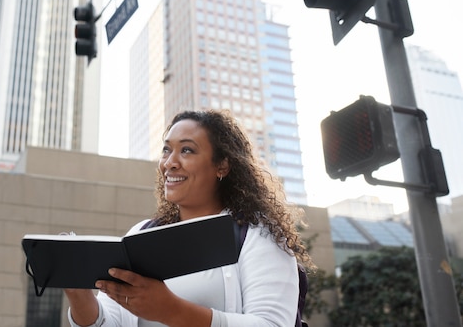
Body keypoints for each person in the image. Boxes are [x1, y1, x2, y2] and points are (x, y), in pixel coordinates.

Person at [65, 109, 314, 327]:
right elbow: (110, 321)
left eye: (187, 150)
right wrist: (80, 297)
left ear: (222, 166)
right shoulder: (140, 234)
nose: (170, 163)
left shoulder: (257, 235)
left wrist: (171, 310)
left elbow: (271, 324)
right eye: (166, 150)